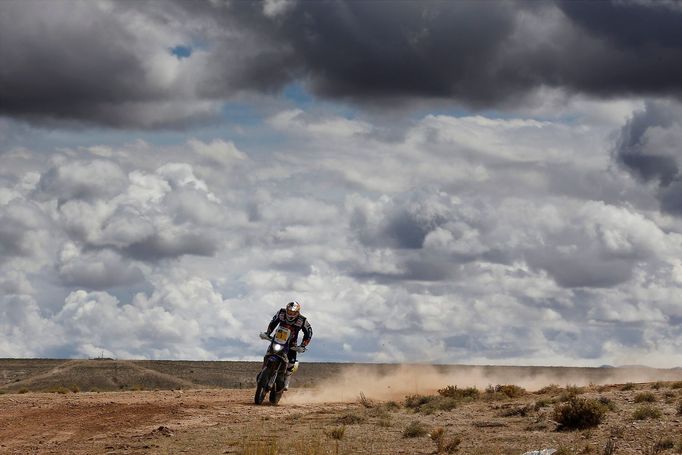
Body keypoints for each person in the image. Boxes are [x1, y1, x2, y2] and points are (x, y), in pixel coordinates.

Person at [260, 301, 312, 390]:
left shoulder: (302, 320)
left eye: (293, 313)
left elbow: (309, 332)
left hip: (291, 343)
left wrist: (303, 345)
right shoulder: (281, 313)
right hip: (277, 340)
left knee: (291, 361)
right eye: (289, 312)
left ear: (297, 312)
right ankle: (264, 370)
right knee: (268, 353)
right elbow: (273, 322)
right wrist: (268, 333)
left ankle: (287, 378)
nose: (291, 314)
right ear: (287, 310)